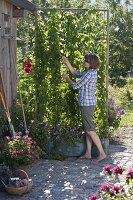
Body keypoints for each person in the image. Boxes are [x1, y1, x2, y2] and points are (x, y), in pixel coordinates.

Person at [62, 53, 106, 162]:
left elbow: (76, 86)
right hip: (86, 104)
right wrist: (67, 63)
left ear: (91, 63)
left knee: (90, 130)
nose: (83, 61)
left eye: (85, 60)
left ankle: (102, 153)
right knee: (87, 130)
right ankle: (88, 153)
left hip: (87, 105)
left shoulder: (89, 74)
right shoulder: (89, 72)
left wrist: (67, 78)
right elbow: (76, 74)